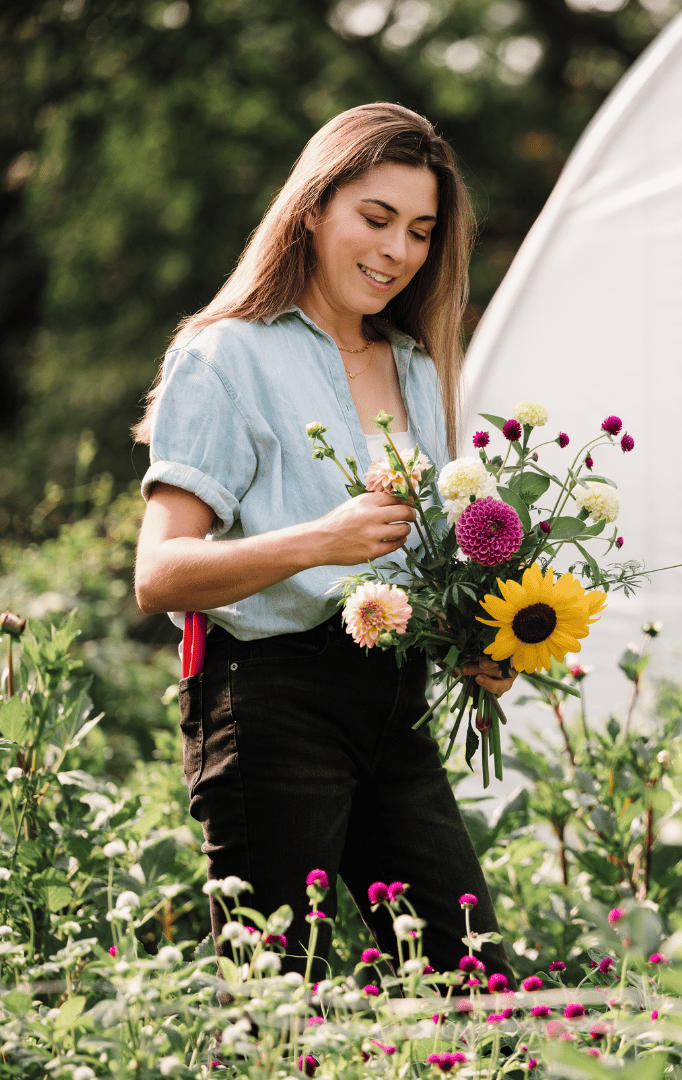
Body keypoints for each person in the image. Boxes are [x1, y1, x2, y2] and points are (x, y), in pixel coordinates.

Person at [133, 102, 516, 985]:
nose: (396, 251)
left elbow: (423, 555)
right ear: (312, 207)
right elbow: (159, 574)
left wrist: (480, 645)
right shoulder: (224, 356)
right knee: (275, 997)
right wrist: (321, 540)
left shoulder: (416, 365)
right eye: (374, 219)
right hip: (272, 703)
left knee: (471, 981)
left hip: (394, 704)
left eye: (420, 232)